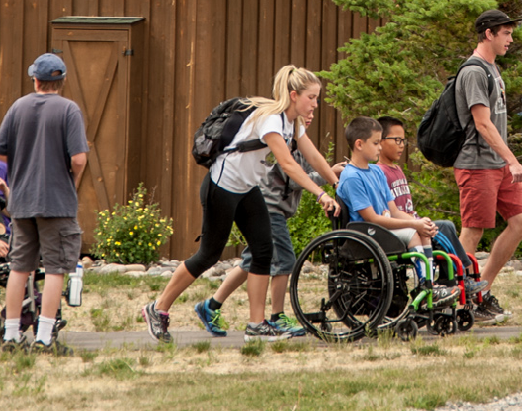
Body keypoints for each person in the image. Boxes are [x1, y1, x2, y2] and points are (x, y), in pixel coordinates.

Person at [145, 65, 340, 343]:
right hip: (221, 188)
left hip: (247, 189)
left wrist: (336, 183)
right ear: (294, 95)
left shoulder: (292, 123)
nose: (316, 104)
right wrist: (320, 195)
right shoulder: (272, 119)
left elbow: (313, 154)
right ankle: (158, 308)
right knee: (208, 255)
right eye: (312, 97)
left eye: (317, 98)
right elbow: (287, 163)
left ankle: (256, 325)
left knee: (263, 250)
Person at [193, 112, 337, 339]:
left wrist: (330, 174)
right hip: (269, 209)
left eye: (312, 113)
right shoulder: (281, 140)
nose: (310, 115)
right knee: (285, 259)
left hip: (275, 209)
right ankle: (276, 317)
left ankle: (211, 305)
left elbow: (310, 167)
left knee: (252, 261)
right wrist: (328, 177)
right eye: (306, 111)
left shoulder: (297, 142)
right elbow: (292, 179)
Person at [0, 53, 91, 352]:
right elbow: (79, 158)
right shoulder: (69, 110)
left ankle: (10, 335)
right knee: (57, 269)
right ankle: (44, 339)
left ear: (35, 79)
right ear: (61, 81)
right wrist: (70, 178)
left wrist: (23, 167)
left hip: (22, 201)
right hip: (56, 202)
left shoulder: (18, 107)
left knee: (20, 267)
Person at [454, 9, 522, 325]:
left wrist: (507, 161)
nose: (511, 39)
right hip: (477, 164)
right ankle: (456, 299)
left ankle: (480, 292)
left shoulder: (493, 69)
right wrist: (513, 159)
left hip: (499, 164)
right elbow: (482, 124)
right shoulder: (473, 71)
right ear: (489, 34)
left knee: (521, 222)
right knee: (472, 231)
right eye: (506, 34)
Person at [338, 116, 439, 248]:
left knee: (424, 232)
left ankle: (427, 269)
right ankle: (420, 266)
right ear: (359, 144)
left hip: (383, 230)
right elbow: (372, 219)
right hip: (368, 234)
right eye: (376, 143)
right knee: (412, 233)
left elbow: (394, 212)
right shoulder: (352, 177)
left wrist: (420, 223)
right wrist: (413, 224)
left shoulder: (377, 171)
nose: (380, 148)